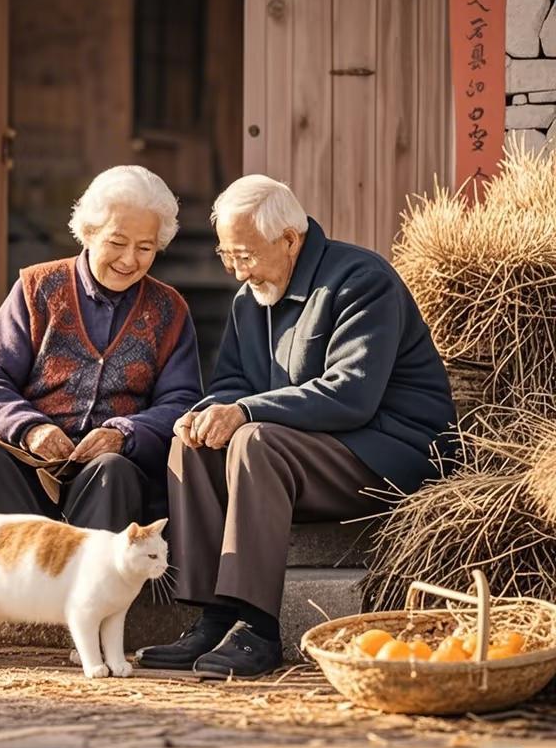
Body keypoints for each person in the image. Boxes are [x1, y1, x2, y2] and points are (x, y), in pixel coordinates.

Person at [137, 175, 457, 678]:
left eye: (244, 255)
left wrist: (243, 412)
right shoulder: (252, 300)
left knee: (254, 439)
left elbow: (351, 396)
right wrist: (208, 413)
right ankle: (212, 618)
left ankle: (258, 630)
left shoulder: (362, 280)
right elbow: (233, 382)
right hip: (305, 454)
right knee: (192, 443)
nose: (238, 272)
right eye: (227, 257)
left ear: (290, 239)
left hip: (387, 452)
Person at [0, 165, 202, 531]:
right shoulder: (39, 287)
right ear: (89, 232)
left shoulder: (170, 309)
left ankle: (87, 586)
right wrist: (30, 429)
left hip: (109, 472)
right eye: (117, 242)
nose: (129, 260)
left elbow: (182, 401)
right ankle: (21, 579)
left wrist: (124, 434)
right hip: (31, 461)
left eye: (145, 247)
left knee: (115, 471)